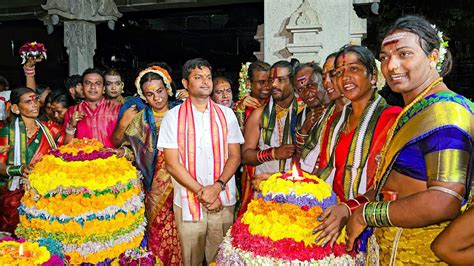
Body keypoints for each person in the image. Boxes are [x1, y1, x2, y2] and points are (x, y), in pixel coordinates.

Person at [344, 15, 473, 265]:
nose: (391, 65)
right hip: (391, 250)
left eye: (404, 54)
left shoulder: (447, 113)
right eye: (384, 57)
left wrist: (367, 214)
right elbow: (391, 184)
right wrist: (349, 208)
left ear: (433, 57)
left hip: (422, 254)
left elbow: (444, 200)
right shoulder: (415, 110)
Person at [313, 45, 401, 247]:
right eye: (339, 73)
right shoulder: (335, 122)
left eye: (353, 69)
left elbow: (390, 185)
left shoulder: (392, 119)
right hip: (332, 219)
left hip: (370, 225)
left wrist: (349, 208)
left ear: (372, 76)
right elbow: (325, 170)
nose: (344, 78)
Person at [158, 58, 244, 265]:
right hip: (188, 201)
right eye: (198, 77)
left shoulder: (227, 114)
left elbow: (235, 156)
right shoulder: (173, 117)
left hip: (222, 199)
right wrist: (202, 192)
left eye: (208, 77)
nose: (205, 82)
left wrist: (217, 187)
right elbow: (171, 163)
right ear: (186, 84)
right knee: (191, 259)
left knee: (221, 259)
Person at [119, 66, 182, 264]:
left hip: (184, 180)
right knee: (158, 226)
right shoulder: (140, 119)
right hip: (154, 183)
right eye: (150, 94)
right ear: (144, 97)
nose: (157, 97)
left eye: (160, 91)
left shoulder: (182, 112)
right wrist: (122, 153)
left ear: (168, 89)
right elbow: (134, 151)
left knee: (184, 228)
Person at [239, 60, 301, 216]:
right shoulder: (259, 114)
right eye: (271, 80)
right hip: (265, 192)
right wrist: (273, 153)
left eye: (280, 80)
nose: (273, 85)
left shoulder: (305, 112)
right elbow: (245, 155)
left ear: (292, 81)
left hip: (298, 193)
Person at [0, 87, 64, 234]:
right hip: (15, 198)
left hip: (46, 195)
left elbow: (65, 150)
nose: (34, 104)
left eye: (35, 99)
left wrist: (71, 128)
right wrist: (20, 169)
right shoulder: (7, 132)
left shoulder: (50, 130)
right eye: (28, 101)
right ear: (16, 108)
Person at [63, 68, 122, 148]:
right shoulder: (72, 111)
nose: (93, 87)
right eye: (88, 83)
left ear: (104, 88)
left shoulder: (117, 108)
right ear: (82, 87)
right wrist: (71, 126)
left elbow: (128, 142)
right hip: (83, 159)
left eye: (98, 83)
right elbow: (66, 148)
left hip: (113, 159)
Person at [315, 53, 350, 172]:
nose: (326, 82)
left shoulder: (369, 114)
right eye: (324, 77)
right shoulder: (325, 114)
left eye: (333, 74)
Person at [292, 62, 330, 173]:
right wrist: (304, 130)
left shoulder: (341, 109)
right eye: (300, 89)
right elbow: (297, 160)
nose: (306, 93)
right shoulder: (301, 118)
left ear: (323, 82)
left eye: (310, 85)